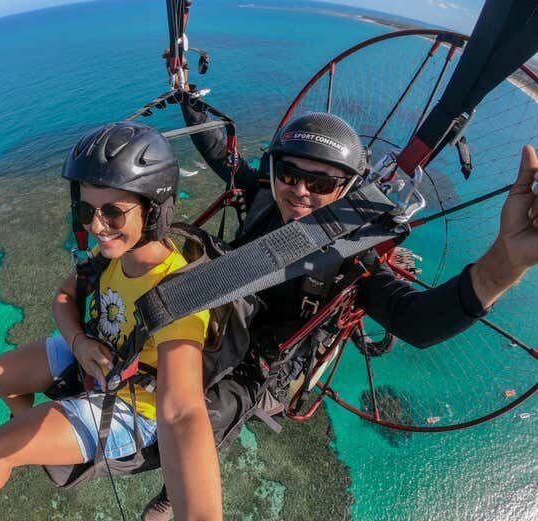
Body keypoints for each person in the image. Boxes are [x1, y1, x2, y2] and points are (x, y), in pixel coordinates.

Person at [140, 90, 538, 520]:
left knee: (211, 410)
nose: (300, 192)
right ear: (274, 170)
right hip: (230, 312)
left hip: (275, 361)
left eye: (322, 184)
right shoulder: (261, 195)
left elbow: (417, 321)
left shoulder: (351, 255)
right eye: (290, 174)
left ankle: (170, 497)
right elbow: (221, 151)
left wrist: (505, 263)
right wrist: (187, 95)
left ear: (347, 189)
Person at [0, 121, 223, 521]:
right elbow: (63, 297)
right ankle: (32, 440)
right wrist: (78, 342)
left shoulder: (179, 292)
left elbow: (182, 413)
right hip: (98, 350)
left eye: (113, 213)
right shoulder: (113, 260)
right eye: (86, 211)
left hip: (138, 403)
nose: (96, 227)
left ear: (154, 209)